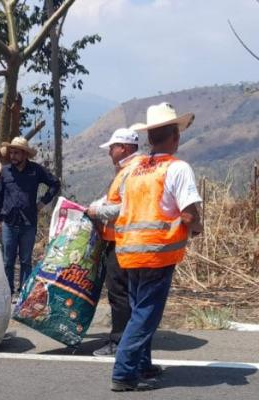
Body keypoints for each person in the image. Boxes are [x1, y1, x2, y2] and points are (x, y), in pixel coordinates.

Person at [109, 102, 203, 392]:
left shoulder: (134, 171)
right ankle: (124, 373)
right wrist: (196, 229)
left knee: (139, 308)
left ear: (150, 139)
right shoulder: (177, 168)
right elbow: (188, 213)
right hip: (157, 252)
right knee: (146, 314)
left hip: (129, 250)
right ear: (175, 136)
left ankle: (142, 365)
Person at [86, 127, 142, 357]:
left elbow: (124, 208)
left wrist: (97, 211)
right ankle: (129, 339)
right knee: (126, 293)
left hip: (122, 241)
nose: (110, 152)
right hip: (121, 240)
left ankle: (119, 341)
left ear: (125, 148)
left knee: (119, 293)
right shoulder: (128, 170)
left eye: (113, 148)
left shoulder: (131, 171)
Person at [0, 136, 61, 296]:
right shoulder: (5, 171)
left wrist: (43, 203)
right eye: (11, 153)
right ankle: (7, 294)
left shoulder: (36, 170)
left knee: (25, 261)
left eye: (16, 153)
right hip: (8, 222)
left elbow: (55, 183)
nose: (13, 156)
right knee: (8, 261)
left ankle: (24, 295)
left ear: (24, 154)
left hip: (29, 223)